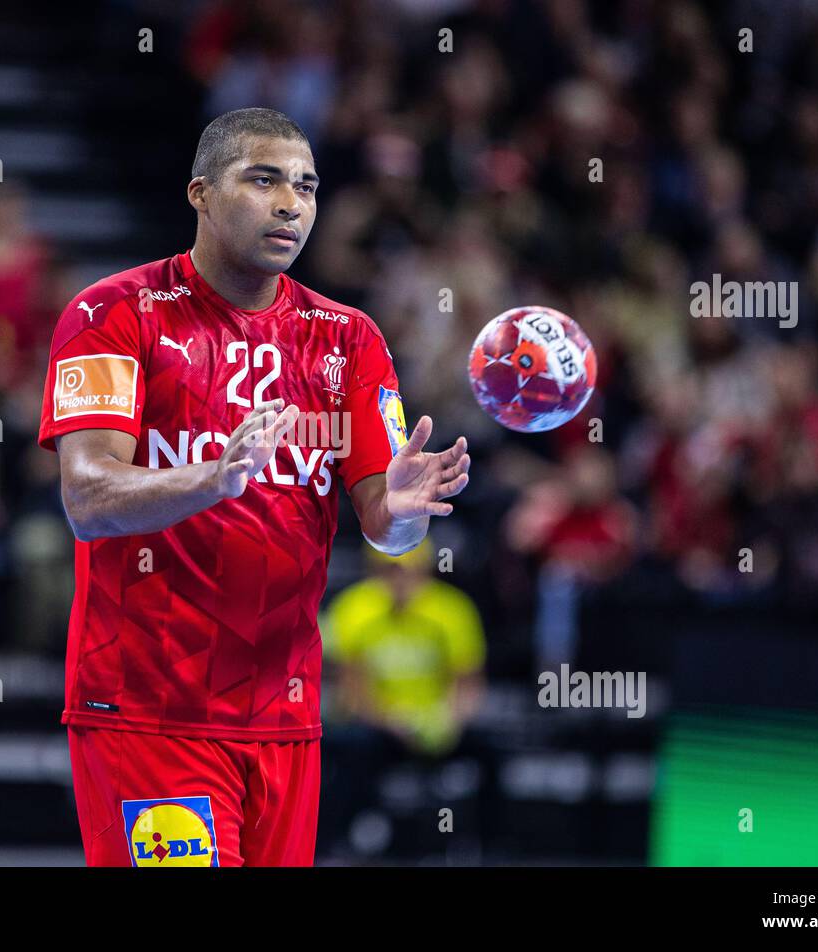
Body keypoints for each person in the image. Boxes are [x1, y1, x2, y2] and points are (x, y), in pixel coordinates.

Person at [37, 108, 471, 866]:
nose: (290, 204)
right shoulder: (111, 313)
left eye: (305, 186)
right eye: (263, 179)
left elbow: (385, 524)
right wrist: (214, 477)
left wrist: (400, 517)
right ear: (200, 193)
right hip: (149, 708)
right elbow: (87, 497)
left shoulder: (349, 340)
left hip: (286, 715)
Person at [323, 538, 486, 758]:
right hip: (372, 725)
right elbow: (349, 688)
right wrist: (389, 721)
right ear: (374, 571)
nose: (398, 581)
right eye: (389, 571)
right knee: (353, 742)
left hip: (437, 720)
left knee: (480, 747)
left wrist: (446, 720)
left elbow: (467, 681)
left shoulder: (453, 610)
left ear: (425, 570)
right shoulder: (352, 608)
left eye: (408, 571)